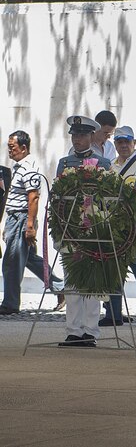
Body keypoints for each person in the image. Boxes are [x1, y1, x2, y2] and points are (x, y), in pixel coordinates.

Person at [57, 116, 112, 347]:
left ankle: (90, 329)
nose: (77, 139)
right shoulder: (65, 163)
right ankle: (73, 330)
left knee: (92, 279)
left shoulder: (103, 165)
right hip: (70, 227)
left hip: (93, 226)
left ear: (91, 137)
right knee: (71, 280)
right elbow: (58, 196)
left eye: (81, 135)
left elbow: (108, 198)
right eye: (74, 135)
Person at [1, 131, 65, 315]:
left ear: (23, 148)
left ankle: (10, 304)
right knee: (29, 259)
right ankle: (60, 287)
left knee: (11, 262)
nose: (10, 151)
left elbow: (33, 197)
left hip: (21, 218)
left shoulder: (28, 167)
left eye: (12, 147)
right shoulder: (19, 166)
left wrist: (29, 225)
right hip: (16, 218)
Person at [99, 126, 136, 326]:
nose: (123, 145)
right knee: (113, 269)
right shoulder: (110, 166)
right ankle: (113, 314)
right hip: (114, 224)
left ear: (134, 143)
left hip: (135, 225)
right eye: (119, 142)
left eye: (127, 141)